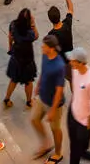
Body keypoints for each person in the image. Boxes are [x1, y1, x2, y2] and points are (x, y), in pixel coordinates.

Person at [33, 34, 66, 162]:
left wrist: (52, 110)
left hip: (54, 104)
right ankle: (46, 144)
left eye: (44, 46)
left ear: (51, 48)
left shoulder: (59, 66)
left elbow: (59, 91)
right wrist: (38, 85)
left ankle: (58, 154)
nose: (42, 47)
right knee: (34, 120)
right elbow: (43, 71)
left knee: (55, 129)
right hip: (42, 96)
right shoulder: (44, 55)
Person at [67, 48, 90, 162]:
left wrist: (88, 126)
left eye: (73, 60)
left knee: (78, 150)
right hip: (73, 113)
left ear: (80, 63)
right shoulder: (75, 71)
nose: (70, 62)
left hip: (84, 122)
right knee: (74, 147)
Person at [5, 8, 38, 109]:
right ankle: (29, 101)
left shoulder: (13, 25)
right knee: (28, 82)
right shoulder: (29, 33)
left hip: (16, 58)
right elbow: (36, 36)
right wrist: (33, 24)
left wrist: (10, 47)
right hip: (27, 60)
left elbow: (10, 36)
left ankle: (7, 99)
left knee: (13, 80)